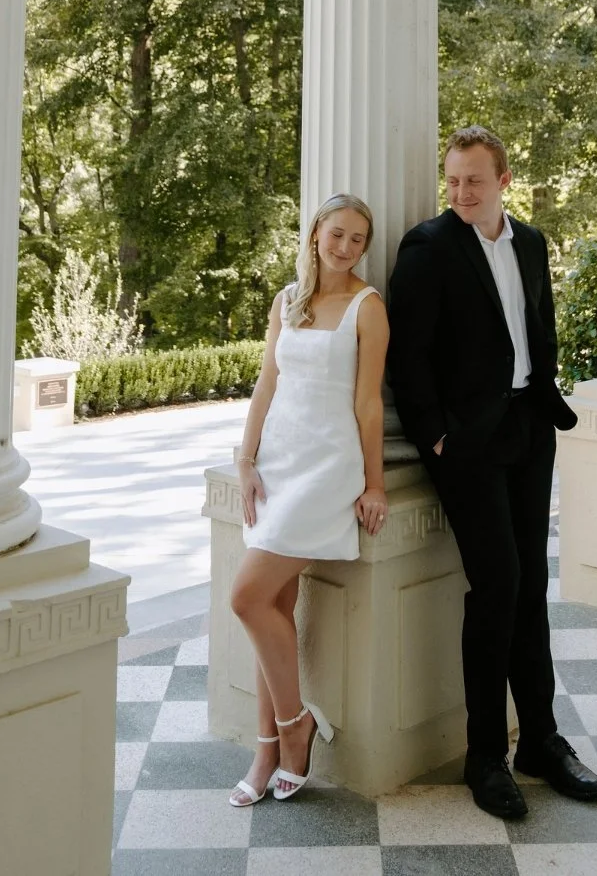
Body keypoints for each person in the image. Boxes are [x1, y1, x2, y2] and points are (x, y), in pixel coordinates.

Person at [387, 126, 597, 819]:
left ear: (503, 180)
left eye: (474, 180)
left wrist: (544, 401)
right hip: (467, 445)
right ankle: (485, 755)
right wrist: (436, 436)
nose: (460, 192)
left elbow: (539, 328)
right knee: (498, 585)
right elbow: (408, 356)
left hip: (528, 431)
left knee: (532, 584)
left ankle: (540, 739)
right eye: (452, 180)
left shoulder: (531, 243)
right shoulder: (427, 247)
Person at [228, 193, 389, 807]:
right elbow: (268, 381)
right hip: (279, 462)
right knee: (273, 604)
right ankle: (266, 748)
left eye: (358, 239)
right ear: (316, 232)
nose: (345, 247)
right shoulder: (287, 300)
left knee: (246, 596)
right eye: (337, 233)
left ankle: (296, 726)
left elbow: (368, 404)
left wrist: (374, 483)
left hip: (327, 468)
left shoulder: (368, 308)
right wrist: (246, 459)